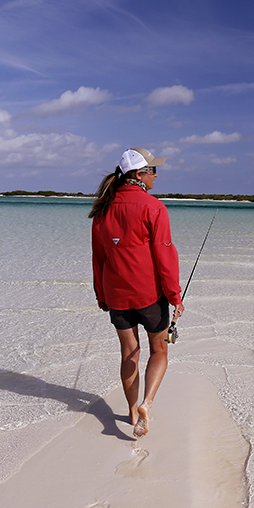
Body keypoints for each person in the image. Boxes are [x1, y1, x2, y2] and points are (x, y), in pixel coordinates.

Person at [89, 147, 184, 438]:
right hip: (150, 296)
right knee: (159, 350)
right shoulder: (154, 207)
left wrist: (101, 295)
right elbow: (164, 256)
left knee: (129, 353)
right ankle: (147, 402)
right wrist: (175, 296)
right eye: (153, 170)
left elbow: (98, 258)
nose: (157, 175)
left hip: (117, 295)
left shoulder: (102, 208)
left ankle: (132, 413)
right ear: (139, 174)